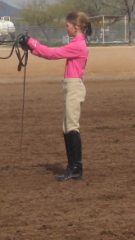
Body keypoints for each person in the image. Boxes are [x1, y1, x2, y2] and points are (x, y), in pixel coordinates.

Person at [18, 12, 92, 181]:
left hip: (74, 87)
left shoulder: (78, 45)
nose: (66, 28)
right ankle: (73, 167)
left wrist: (32, 42)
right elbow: (49, 53)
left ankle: (75, 168)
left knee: (71, 127)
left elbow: (52, 54)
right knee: (68, 128)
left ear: (76, 27)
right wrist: (32, 47)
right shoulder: (78, 43)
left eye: (68, 26)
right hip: (71, 86)